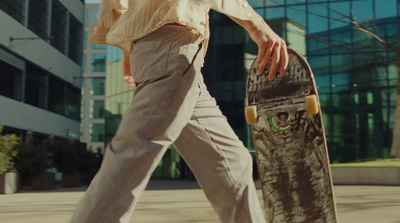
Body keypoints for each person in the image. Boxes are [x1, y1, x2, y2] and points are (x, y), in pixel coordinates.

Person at [71, 0, 288, 222]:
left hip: (169, 52)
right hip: (173, 47)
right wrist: (257, 26)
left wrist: (130, 47)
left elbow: (115, 4)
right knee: (135, 151)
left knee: (231, 161)